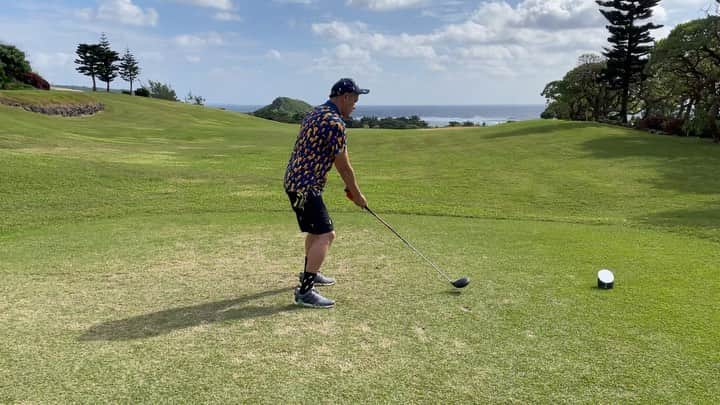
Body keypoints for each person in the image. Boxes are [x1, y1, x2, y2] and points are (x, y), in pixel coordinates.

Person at [284, 78, 369, 308]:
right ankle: (305, 291)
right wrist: (357, 195)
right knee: (326, 234)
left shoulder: (315, 112)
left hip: (295, 181)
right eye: (355, 99)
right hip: (306, 185)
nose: (355, 104)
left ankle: (309, 273)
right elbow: (344, 167)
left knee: (315, 231)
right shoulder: (335, 123)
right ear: (345, 97)